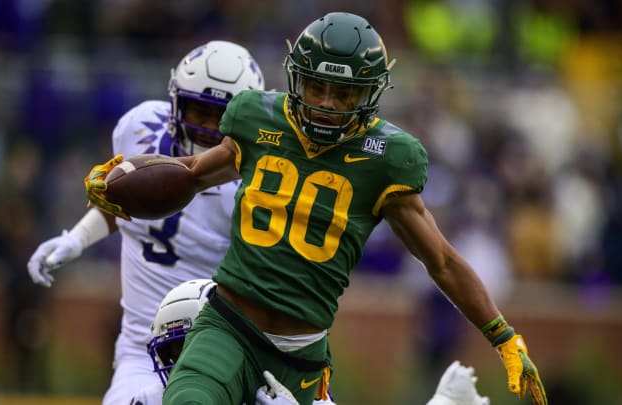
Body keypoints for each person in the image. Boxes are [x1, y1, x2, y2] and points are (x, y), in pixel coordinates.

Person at [85, 12, 547, 405]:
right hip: (226, 325)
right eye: (317, 86)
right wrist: (125, 173)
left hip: (300, 353)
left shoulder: (385, 159)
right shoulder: (257, 119)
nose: (326, 104)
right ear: (296, 78)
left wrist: (503, 336)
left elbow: (441, 260)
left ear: (367, 95)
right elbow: (190, 173)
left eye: (342, 94)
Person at [27, 40, 265, 404]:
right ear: (175, 101)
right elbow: (129, 201)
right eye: (197, 110)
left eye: (220, 115)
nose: (205, 126)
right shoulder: (138, 129)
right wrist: (76, 238)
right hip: (142, 349)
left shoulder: (256, 185)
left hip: (220, 352)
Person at [131, 278, 488, 405]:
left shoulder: (285, 391)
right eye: (174, 352)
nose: (188, 366)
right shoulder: (149, 398)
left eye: (195, 349)